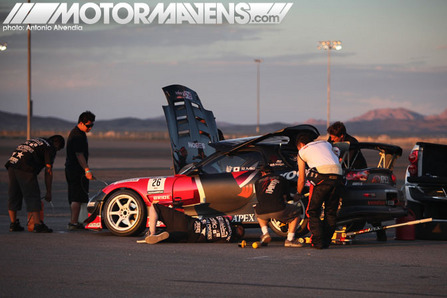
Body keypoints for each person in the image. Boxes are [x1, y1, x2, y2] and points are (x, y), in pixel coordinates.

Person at [5, 135, 65, 233]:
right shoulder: (50, 147)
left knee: (14, 194)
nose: (56, 151)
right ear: (57, 144)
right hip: (25, 167)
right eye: (58, 149)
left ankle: (13, 224)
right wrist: (49, 192)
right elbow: (48, 171)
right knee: (33, 195)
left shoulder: (38, 140)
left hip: (12, 164)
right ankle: (38, 224)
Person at [296, 133, 343, 249]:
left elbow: (301, 178)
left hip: (322, 179)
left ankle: (318, 242)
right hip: (338, 177)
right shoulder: (325, 143)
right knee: (330, 212)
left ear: (301, 145)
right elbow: (337, 152)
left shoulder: (302, 151)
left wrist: (298, 193)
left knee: (312, 211)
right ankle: (326, 241)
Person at [143, 203, 244, 244]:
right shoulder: (228, 238)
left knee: (155, 207)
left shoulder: (224, 219)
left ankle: (152, 232)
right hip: (189, 236)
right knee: (172, 236)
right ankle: (167, 235)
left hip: (187, 222)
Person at [254, 165, 302, 247]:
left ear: (263, 173)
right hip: (278, 210)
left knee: (257, 208)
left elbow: (260, 198)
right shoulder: (282, 179)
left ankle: (265, 233)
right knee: (297, 212)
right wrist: (295, 197)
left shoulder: (257, 182)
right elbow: (286, 196)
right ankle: (290, 239)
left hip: (261, 212)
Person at [65, 111, 96, 231]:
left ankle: (80, 221)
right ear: (81, 123)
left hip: (77, 170)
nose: (90, 128)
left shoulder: (81, 134)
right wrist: (87, 170)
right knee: (76, 197)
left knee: (81, 196)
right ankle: (73, 222)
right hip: (75, 170)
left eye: (92, 125)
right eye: (88, 125)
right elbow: (79, 154)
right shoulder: (77, 135)